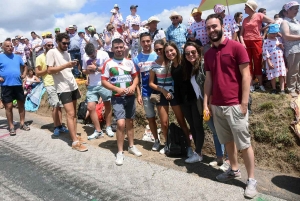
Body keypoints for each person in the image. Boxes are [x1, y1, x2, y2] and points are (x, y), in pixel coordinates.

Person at [204, 14, 257, 198]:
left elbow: (246, 76)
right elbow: (208, 80)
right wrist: (208, 102)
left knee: (244, 144)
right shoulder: (208, 53)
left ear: (222, 26)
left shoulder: (237, 47)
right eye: (208, 28)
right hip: (217, 105)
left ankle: (251, 180)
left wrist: (244, 102)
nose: (212, 30)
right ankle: (234, 170)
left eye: (214, 26)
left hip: (235, 104)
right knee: (227, 141)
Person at [101, 38, 141, 166]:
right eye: (116, 47)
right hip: (117, 97)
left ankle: (131, 145)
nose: (119, 49)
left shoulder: (129, 62)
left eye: (121, 47)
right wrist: (116, 89)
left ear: (124, 48)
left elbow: (135, 77)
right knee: (120, 124)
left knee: (130, 122)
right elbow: (104, 81)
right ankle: (120, 151)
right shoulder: (108, 63)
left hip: (130, 96)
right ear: (112, 49)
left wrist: (134, 86)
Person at [47, 33, 87, 152]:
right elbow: (49, 70)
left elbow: (68, 73)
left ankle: (74, 136)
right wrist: (66, 65)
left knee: (73, 114)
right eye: (64, 43)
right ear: (57, 42)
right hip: (62, 88)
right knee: (70, 114)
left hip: (72, 86)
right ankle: (74, 142)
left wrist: (76, 85)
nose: (66, 45)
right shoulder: (52, 52)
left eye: (68, 43)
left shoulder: (67, 53)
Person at [162, 41, 195, 157]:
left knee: (191, 124)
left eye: (171, 50)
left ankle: (192, 148)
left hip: (189, 97)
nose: (169, 53)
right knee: (183, 122)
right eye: (167, 52)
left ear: (176, 49)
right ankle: (188, 146)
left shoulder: (184, 62)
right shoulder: (171, 65)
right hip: (178, 97)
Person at [35, 38, 69, 136]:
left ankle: (60, 125)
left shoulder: (56, 55)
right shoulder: (40, 58)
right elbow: (37, 73)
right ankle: (56, 126)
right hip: (49, 83)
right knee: (55, 105)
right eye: (48, 45)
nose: (50, 47)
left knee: (60, 106)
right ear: (44, 46)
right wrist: (48, 70)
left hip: (59, 82)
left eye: (51, 45)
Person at [240, 0, 274, 92]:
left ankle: (261, 84)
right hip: (246, 42)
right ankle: (251, 85)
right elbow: (241, 34)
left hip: (257, 41)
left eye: (246, 7)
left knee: (258, 62)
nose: (244, 9)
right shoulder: (245, 19)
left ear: (251, 8)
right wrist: (242, 43)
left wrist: (263, 28)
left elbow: (272, 21)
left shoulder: (259, 15)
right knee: (248, 64)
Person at [133, 32, 160, 151]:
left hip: (160, 91)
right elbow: (136, 79)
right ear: (140, 42)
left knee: (164, 119)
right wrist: (138, 94)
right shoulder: (136, 59)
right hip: (145, 93)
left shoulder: (158, 55)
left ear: (151, 41)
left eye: (148, 41)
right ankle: (157, 140)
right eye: (143, 41)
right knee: (151, 118)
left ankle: (168, 141)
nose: (146, 44)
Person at [82, 43, 115, 139]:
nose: (91, 57)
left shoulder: (104, 54)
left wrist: (96, 68)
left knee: (107, 105)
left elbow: (109, 69)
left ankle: (108, 127)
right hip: (92, 85)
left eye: (93, 55)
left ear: (96, 50)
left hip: (104, 83)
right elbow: (83, 70)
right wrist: (88, 71)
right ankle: (98, 130)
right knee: (90, 107)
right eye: (89, 56)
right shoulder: (85, 56)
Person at [0, 41, 30, 135]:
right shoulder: (0, 57)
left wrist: (24, 74)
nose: (10, 47)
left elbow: (25, 66)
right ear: (3, 47)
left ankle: (22, 123)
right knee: (8, 106)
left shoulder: (17, 57)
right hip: (6, 85)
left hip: (17, 85)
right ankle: (11, 126)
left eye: (11, 46)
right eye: (7, 46)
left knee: (21, 104)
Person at [280, 1, 300, 97]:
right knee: (293, 70)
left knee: (299, 70)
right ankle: (291, 88)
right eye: (295, 9)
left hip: (299, 48)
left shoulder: (296, 21)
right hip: (292, 49)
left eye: (297, 8)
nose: (297, 10)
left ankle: (298, 87)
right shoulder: (285, 22)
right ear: (288, 10)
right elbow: (286, 36)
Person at [263, 24, 286, 94]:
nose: (274, 35)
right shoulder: (266, 41)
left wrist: (281, 46)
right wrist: (269, 62)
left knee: (281, 74)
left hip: (280, 60)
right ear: (269, 32)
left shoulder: (278, 39)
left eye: (276, 33)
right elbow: (265, 52)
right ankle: (274, 88)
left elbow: (283, 49)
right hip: (272, 60)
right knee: (272, 74)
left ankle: (282, 89)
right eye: (273, 33)